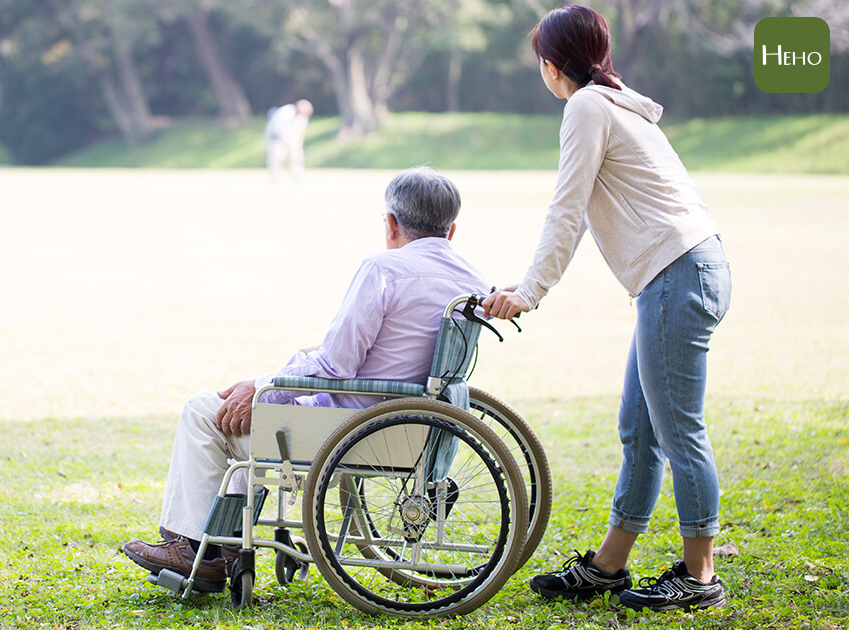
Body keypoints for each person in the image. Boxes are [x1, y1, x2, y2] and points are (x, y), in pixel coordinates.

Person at [122, 167, 489, 592]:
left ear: (390, 223)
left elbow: (335, 367)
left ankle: (192, 549)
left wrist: (263, 385)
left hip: (347, 430)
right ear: (452, 229)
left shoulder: (384, 269)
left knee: (205, 411)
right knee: (253, 419)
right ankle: (218, 548)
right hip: (413, 426)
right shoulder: (473, 281)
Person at [482, 4, 732, 613]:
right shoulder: (618, 102)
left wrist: (529, 289)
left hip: (677, 274)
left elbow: (566, 208)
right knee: (639, 429)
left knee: (678, 433)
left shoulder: (587, 106)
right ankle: (609, 566)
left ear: (551, 64)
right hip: (682, 272)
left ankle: (699, 577)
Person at [264, 99, 314, 181]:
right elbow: (279, 131)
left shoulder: (303, 117)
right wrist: (289, 144)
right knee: (277, 156)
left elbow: (300, 132)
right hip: (277, 139)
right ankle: (274, 178)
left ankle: (296, 177)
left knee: (296, 156)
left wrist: (298, 144)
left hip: (292, 140)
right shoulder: (285, 112)